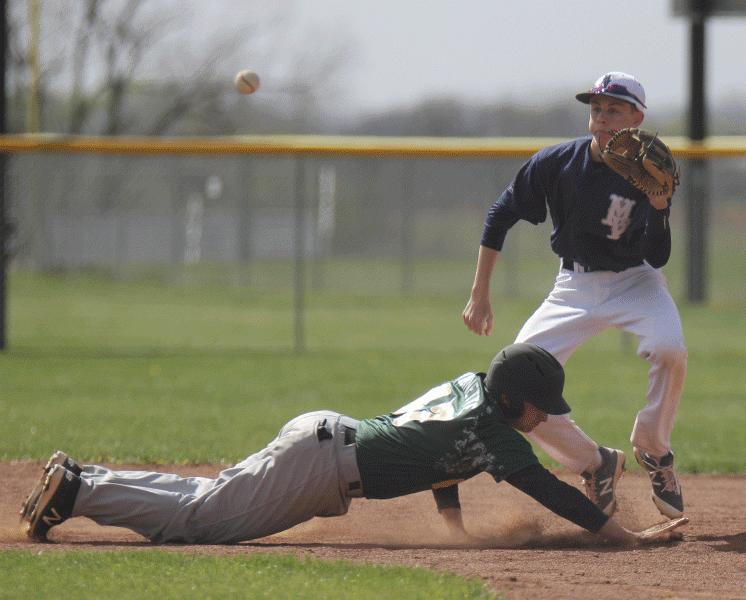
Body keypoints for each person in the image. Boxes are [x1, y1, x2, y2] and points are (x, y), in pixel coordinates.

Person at [20, 343, 685, 548]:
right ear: (512, 400)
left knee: (208, 497)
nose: (545, 419)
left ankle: (82, 480)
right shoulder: (491, 428)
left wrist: (453, 527)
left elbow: (441, 457)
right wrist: (624, 538)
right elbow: (540, 486)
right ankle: (79, 490)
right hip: (323, 466)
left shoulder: (474, 391)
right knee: (200, 523)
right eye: (540, 409)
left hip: (321, 441)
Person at [462, 72, 688, 520]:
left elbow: (657, 256)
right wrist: (479, 294)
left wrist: (661, 208)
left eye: (614, 110)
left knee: (670, 350)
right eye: (597, 109)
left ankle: (655, 452)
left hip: (635, 282)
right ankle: (595, 463)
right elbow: (499, 215)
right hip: (574, 286)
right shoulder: (556, 162)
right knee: (510, 387)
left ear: (637, 119)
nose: (602, 119)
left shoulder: (649, 176)